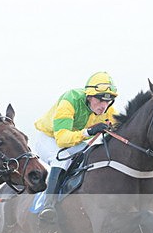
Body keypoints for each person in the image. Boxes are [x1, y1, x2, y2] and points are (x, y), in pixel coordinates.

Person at [32, 71, 119, 222]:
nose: (104, 106)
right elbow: (62, 140)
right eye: (100, 100)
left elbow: (120, 129)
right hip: (49, 138)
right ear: (89, 96)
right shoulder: (70, 100)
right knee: (62, 158)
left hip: (74, 141)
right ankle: (48, 204)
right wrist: (89, 131)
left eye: (108, 101)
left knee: (93, 157)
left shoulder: (108, 111)